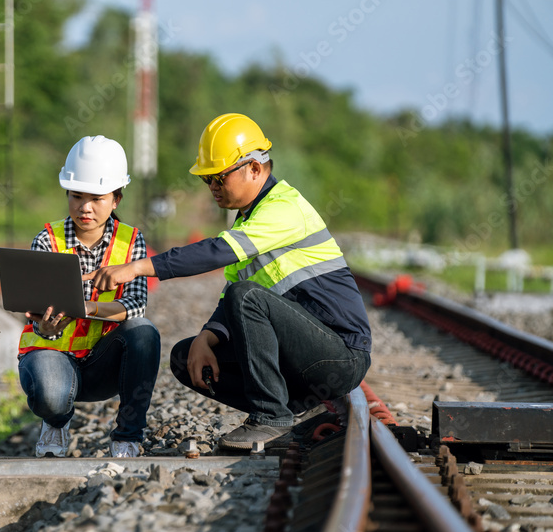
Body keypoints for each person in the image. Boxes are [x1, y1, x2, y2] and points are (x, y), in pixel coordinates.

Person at [86, 114, 371, 450]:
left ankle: (271, 419)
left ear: (253, 168)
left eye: (219, 178)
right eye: (207, 181)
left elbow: (216, 252)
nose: (212, 189)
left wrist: (137, 267)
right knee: (186, 356)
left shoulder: (284, 208)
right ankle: (283, 411)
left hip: (340, 355)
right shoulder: (250, 218)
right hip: (301, 357)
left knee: (247, 296)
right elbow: (229, 297)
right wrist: (208, 336)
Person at [19, 135, 161, 459]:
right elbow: (34, 308)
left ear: (116, 199)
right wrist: (46, 327)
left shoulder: (131, 241)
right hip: (51, 353)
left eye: (96, 198)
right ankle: (55, 422)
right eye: (76, 195)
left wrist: (86, 309)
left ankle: (127, 437)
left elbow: (135, 305)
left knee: (145, 333)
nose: (85, 207)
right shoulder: (47, 240)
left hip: (102, 365)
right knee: (52, 397)